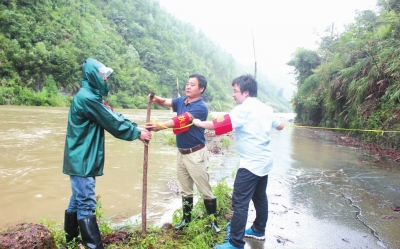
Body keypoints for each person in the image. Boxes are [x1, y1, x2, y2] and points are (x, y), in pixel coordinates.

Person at [63, 58, 152, 249]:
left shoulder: (90, 96)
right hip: (82, 159)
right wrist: (136, 133)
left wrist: (136, 127)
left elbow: (113, 114)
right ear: (93, 75)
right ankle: (93, 246)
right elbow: (112, 122)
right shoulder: (87, 98)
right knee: (86, 203)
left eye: (105, 75)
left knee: (77, 201)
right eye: (102, 75)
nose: (105, 78)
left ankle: (69, 243)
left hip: (79, 157)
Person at [192, 74, 284, 249]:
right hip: (265, 162)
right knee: (259, 197)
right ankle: (258, 229)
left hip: (250, 165)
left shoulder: (244, 109)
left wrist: (198, 123)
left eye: (235, 91)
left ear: (246, 92)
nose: (233, 94)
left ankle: (235, 243)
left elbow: (219, 124)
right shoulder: (266, 108)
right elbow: (280, 126)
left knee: (240, 202)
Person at [146, 74, 220, 232]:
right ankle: (186, 220)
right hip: (181, 153)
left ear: (201, 89)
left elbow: (182, 120)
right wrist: (154, 98)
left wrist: (159, 126)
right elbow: (164, 102)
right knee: (186, 190)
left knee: (205, 190)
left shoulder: (200, 107)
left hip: (196, 153)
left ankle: (214, 222)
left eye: (192, 85)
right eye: (187, 84)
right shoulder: (181, 101)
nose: (188, 86)